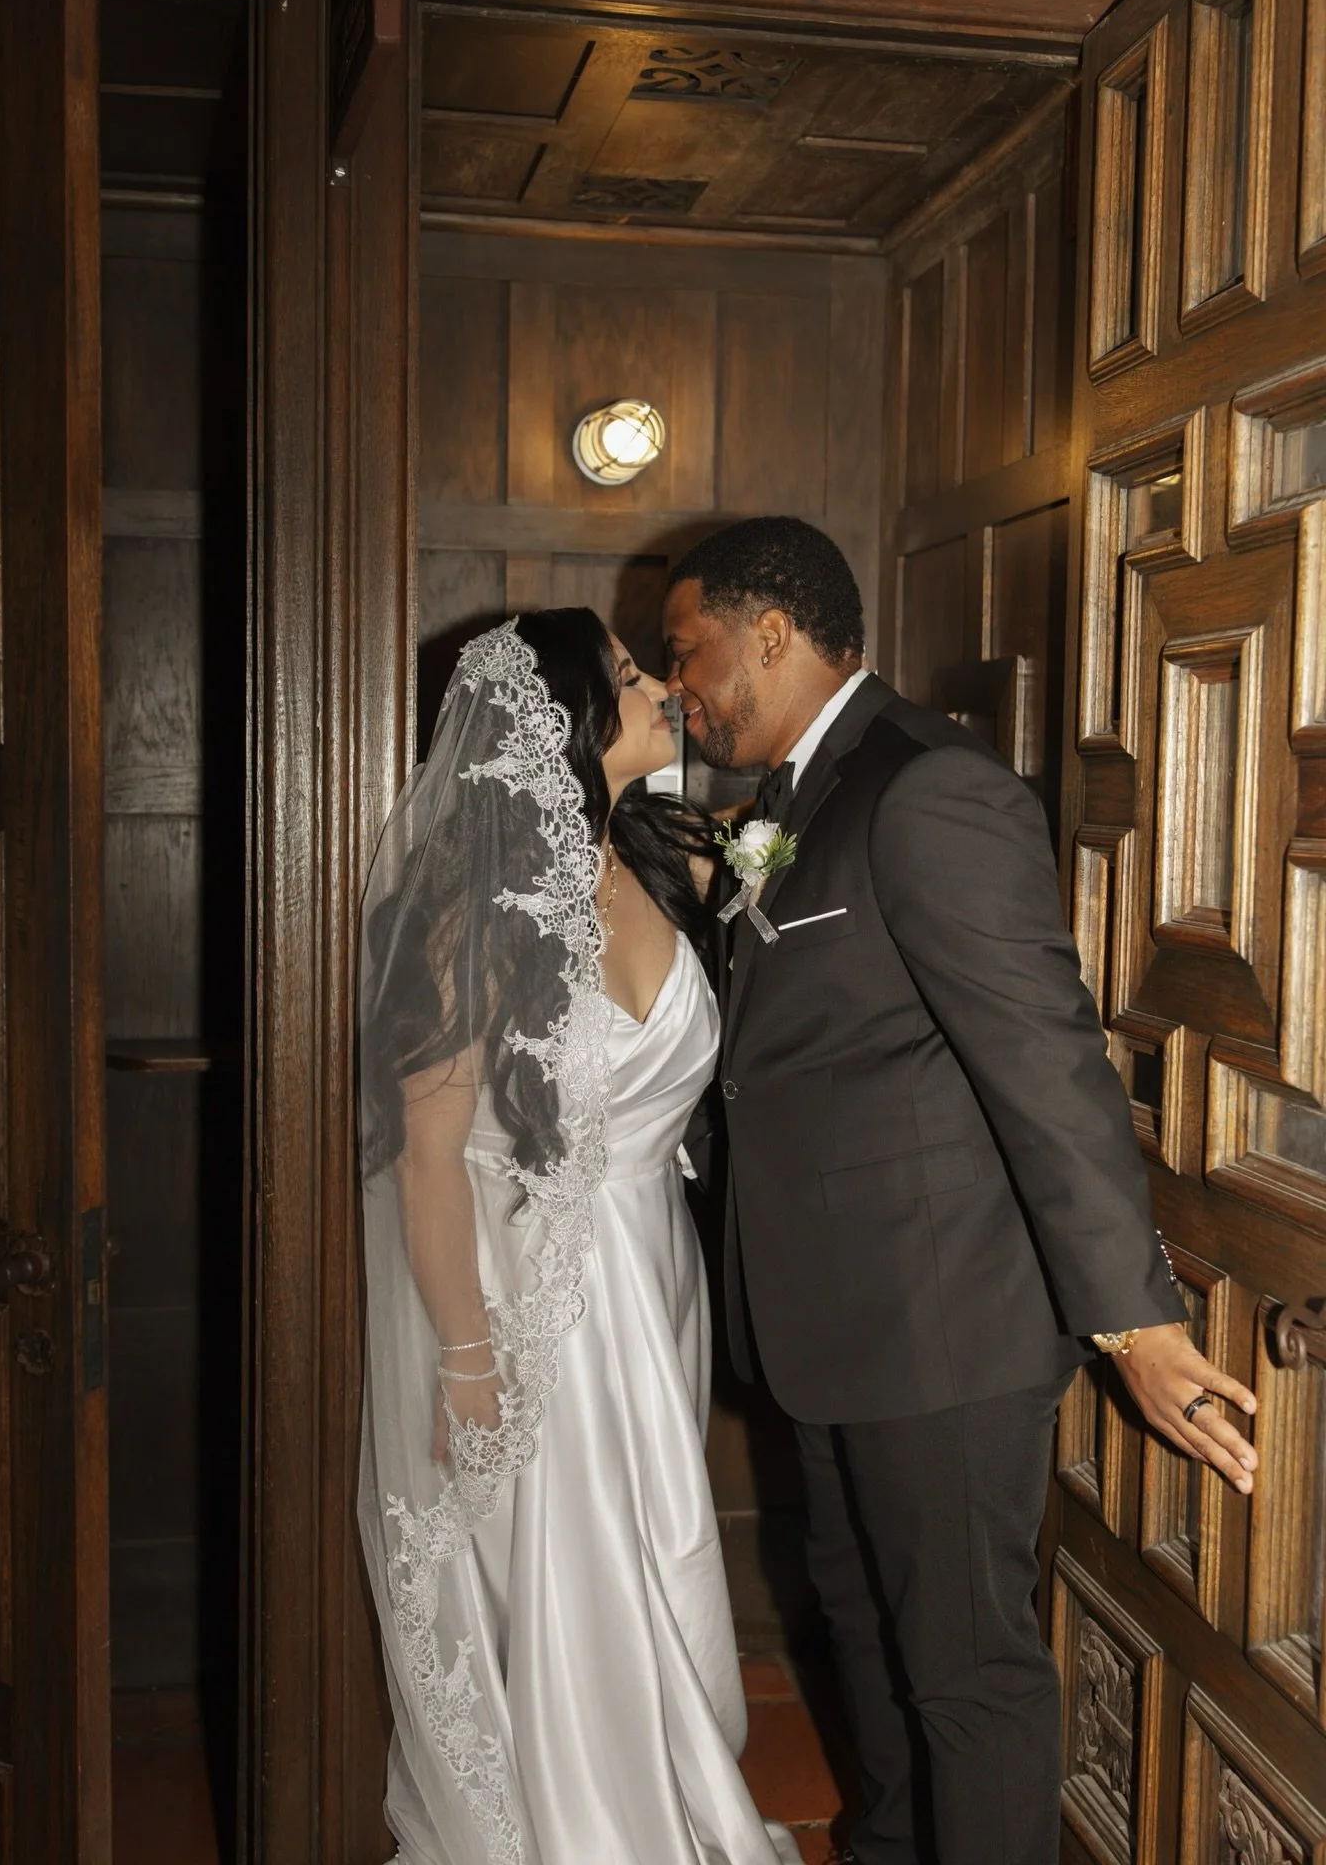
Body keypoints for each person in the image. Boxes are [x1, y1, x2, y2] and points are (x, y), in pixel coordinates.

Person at [660, 517, 1260, 1865]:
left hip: (941, 1331)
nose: (682, 685)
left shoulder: (930, 786)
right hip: (830, 1325)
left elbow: (1048, 1066)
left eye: (690, 653)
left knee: (962, 1679)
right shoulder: (783, 802)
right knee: (865, 1639)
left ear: (773, 633)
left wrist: (1135, 1324)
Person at [355, 609, 801, 1865]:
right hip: (544, 1293)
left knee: (666, 1537)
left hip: (656, 1268)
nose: (659, 686)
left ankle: (668, 1788)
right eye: (625, 675)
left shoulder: (655, 855)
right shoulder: (465, 913)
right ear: (561, 721)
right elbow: (429, 1159)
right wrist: (465, 1353)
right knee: (584, 1563)